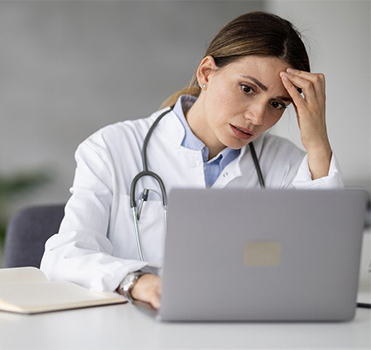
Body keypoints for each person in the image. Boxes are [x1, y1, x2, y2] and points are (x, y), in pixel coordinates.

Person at [40, 11, 343, 310]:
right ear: (206, 73)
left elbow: (325, 265)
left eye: (277, 104)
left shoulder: (285, 164)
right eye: (247, 89)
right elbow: (65, 255)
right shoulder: (112, 148)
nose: (257, 117)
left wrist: (317, 141)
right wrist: (136, 281)